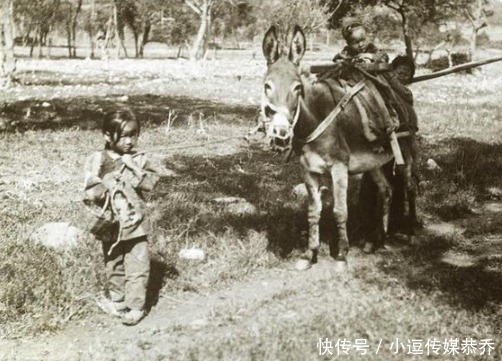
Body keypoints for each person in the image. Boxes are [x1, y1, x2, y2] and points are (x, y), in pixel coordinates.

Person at [83, 108, 160, 326]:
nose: (129, 141)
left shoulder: (140, 159)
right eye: (123, 135)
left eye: (133, 135)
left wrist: (133, 168)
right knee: (113, 263)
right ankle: (119, 301)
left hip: (136, 224)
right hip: (111, 224)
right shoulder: (97, 159)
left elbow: (151, 184)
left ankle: (136, 307)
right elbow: (90, 187)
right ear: (107, 136)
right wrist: (106, 185)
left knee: (138, 265)